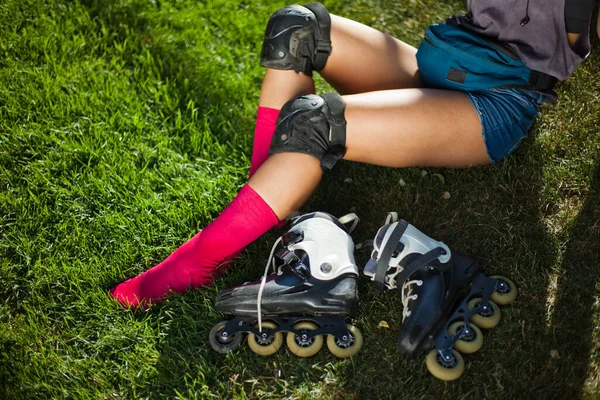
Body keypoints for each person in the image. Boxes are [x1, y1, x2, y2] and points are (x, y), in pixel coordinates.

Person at [110, 1, 599, 308]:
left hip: (490, 105)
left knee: (314, 121)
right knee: (296, 26)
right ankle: (268, 211)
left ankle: (196, 263)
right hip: (439, 64)